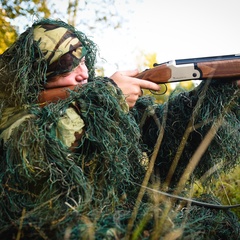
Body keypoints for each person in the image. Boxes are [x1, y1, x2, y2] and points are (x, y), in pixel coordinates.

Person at [0, 18, 239, 239]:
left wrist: (216, 90)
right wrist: (110, 97)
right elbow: (32, 152)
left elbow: (163, 132)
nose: (83, 74)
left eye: (83, 61)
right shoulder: (11, 115)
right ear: (36, 72)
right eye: (66, 64)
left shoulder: (92, 99)